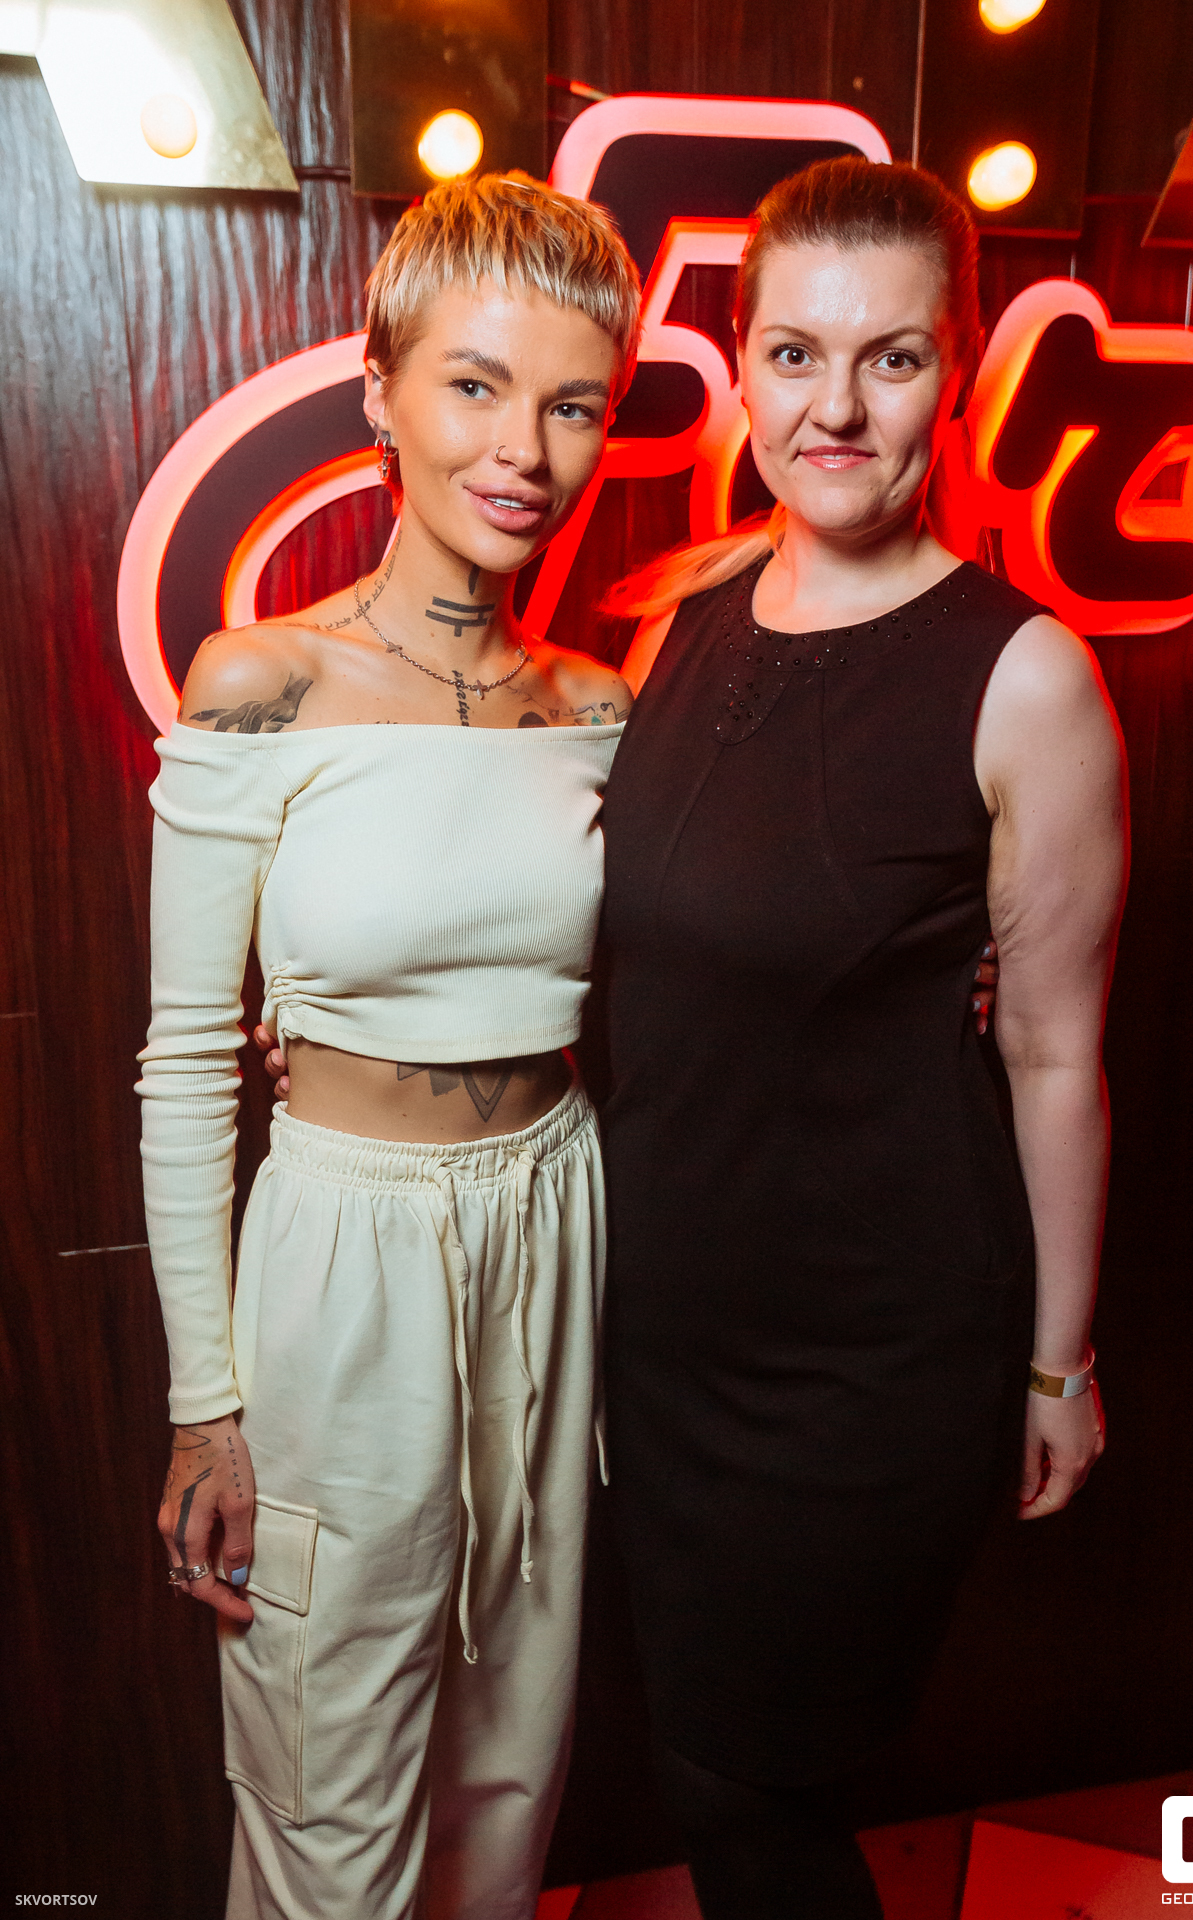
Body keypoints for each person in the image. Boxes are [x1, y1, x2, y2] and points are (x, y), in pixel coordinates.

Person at [595, 155, 1126, 1919]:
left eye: (891, 358)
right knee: (704, 1762)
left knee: (752, 1787)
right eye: (797, 354)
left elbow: (1055, 1050)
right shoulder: (678, 628)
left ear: (953, 377)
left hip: (869, 1360)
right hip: (665, 1338)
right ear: (743, 371)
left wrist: (1058, 1365)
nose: (837, 406)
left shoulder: (1025, 673)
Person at [137, 172, 640, 1920]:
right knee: (327, 1792)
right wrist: (204, 1411)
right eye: (474, 385)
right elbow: (186, 1061)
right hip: (345, 1251)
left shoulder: (600, 706)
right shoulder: (261, 683)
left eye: (572, 404)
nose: (523, 450)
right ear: (382, 388)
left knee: (511, 1775)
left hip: (553, 1229)